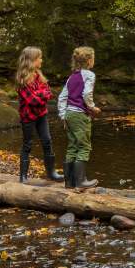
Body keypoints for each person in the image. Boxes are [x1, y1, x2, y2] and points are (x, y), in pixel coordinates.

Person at [15, 47, 63, 183]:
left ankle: (51, 173)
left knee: (47, 141)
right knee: (27, 144)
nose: (41, 60)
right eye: (39, 58)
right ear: (32, 61)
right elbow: (33, 100)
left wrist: (41, 94)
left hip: (41, 115)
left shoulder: (39, 75)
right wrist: (42, 95)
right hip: (28, 117)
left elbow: (49, 93)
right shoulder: (23, 79)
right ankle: (23, 176)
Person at [57, 46, 101, 189]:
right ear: (89, 60)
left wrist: (63, 116)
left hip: (69, 114)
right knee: (84, 146)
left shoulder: (72, 77)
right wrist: (92, 107)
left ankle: (69, 183)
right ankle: (81, 182)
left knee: (72, 146)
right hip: (79, 114)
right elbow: (86, 94)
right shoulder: (89, 75)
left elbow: (62, 97)